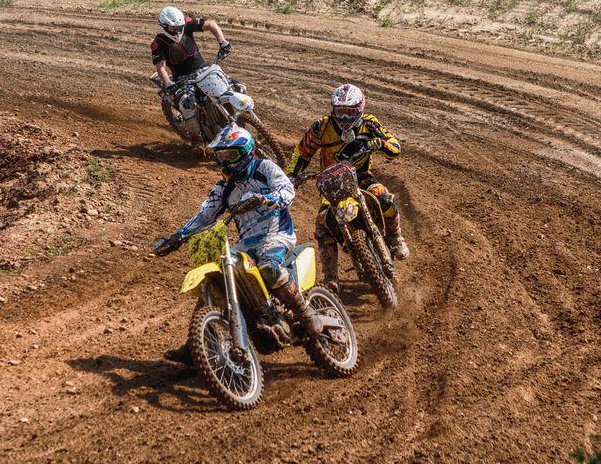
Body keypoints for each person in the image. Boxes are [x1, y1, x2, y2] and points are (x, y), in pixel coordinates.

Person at [153, 124, 321, 365]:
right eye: (220, 156)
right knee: (216, 278)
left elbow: (287, 190)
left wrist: (266, 198)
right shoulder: (223, 188)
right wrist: (177, 237)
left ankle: (305, 313)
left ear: (246, 152)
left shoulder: (264, 168)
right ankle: (197, 343)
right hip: (247, 243)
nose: (224, 161)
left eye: (230, 155)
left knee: (269, 268)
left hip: (276, 235)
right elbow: (205, 216)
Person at [287, 84, 409, 291]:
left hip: (361, 177)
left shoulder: (370, 124)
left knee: (386, 198)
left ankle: (395, 236)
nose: (344, 119)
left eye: (349, 113)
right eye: (340, 113)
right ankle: (331, 277)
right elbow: (302, 152)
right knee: (322, 223)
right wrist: (291, 175)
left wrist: (381, 144)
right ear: (333, 110)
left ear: (360, 110)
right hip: (331, 184)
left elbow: (395, 148)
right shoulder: (321, 127)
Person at [151, 6, 232, 142]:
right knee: (187, 106)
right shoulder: (158, 43)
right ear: (164, 26)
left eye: (179, 26)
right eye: (173, 28)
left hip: (203, 69)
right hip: (183, 80)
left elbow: (211, 24)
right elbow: (161, 67)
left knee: (234, 86)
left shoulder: (187, 24)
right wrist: (168, 83)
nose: (177, 30)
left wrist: (223, 42)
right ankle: (197, 141)